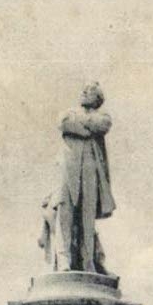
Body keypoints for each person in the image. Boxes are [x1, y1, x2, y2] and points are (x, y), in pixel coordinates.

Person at [39, 83, 115, 273]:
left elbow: (102, 125)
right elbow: (63, 123)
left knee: (87, 216)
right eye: (83, 89)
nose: (83, 92)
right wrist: (88, 126)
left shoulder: (103, 117)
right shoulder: (68, 112)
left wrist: (79, 125)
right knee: (65, 211)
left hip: (90, 168)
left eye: (89, 90)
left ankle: (88, 261)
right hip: (68, 165)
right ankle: (64, 260)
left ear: (97, 99)